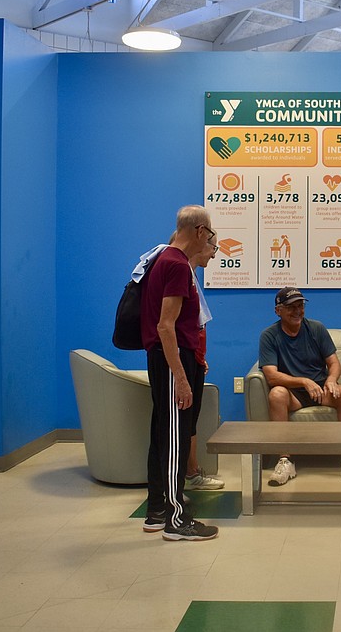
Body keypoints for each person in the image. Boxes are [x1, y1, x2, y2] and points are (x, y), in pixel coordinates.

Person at [140, 205, 219, 541]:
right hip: (172, 358)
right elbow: (165, 325)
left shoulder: (167, 260)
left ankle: (157, 510)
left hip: (169, 357)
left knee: (163, 434)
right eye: (211, 233)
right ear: (200, 231)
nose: (211, 240)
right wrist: (182, 377)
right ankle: (176, 519)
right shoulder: (174, 264)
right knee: (174, 438)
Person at [259, 287, 341, 485]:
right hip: (292, 393)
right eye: (290, 307)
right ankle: (285, 460)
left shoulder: (316, 328)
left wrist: (331, 380)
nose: (297, 311)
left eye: (300, 306)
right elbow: (271, 375)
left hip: (321, 389)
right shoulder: (269, 335)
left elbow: (334, 363)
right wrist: (303, 381)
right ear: (278, 311)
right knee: (276, 394)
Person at [183, 237, 224, 491]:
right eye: (213, 248)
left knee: (191, 420)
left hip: (195, 359)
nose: (215, 254)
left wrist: (199, 357)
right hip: (185, 360)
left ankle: (190, 474)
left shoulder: (192, 275)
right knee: (184, 421)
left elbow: (195, 325)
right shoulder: (181, 272)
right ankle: (184, 478)